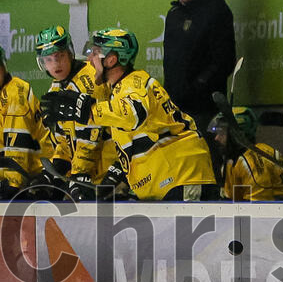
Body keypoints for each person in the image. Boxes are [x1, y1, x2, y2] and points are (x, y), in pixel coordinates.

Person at [40, 28, 219, 201]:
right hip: (168, 181)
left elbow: (132, 114)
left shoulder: (134, 82)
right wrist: (113, 175)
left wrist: (88, 110)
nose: (89, 59)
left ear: (110, 60)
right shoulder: (118, 91)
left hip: (182, 176)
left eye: (95, 53)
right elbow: (134, 140)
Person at [35, 25, 118, 199]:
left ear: (70, 52)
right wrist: (55, 169)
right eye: (49, 59)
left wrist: (79, 173)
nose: (55, 64)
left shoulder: (89, 77)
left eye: (60, 56)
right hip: (88, 173)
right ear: (42, 63)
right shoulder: (56, 87)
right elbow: (64, 140)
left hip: (109, 171)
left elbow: (91, 134)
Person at [162, 0, 237, 127]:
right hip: (176, 107)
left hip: (204, 109)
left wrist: (196, 88)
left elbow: (224, 60)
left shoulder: (217, 11)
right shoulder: (175, 13)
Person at [208, 106, 283, 201]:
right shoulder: (231, 162)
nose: (217, 138)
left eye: (222, 133)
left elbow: (258, 207)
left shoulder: (253, 160)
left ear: (236, 135)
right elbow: (231, 200)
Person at [0, 44, 51, 198]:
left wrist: (12, 185)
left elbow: (17, 148)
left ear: (3, 65)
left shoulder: (16, 93)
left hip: (38, 177)